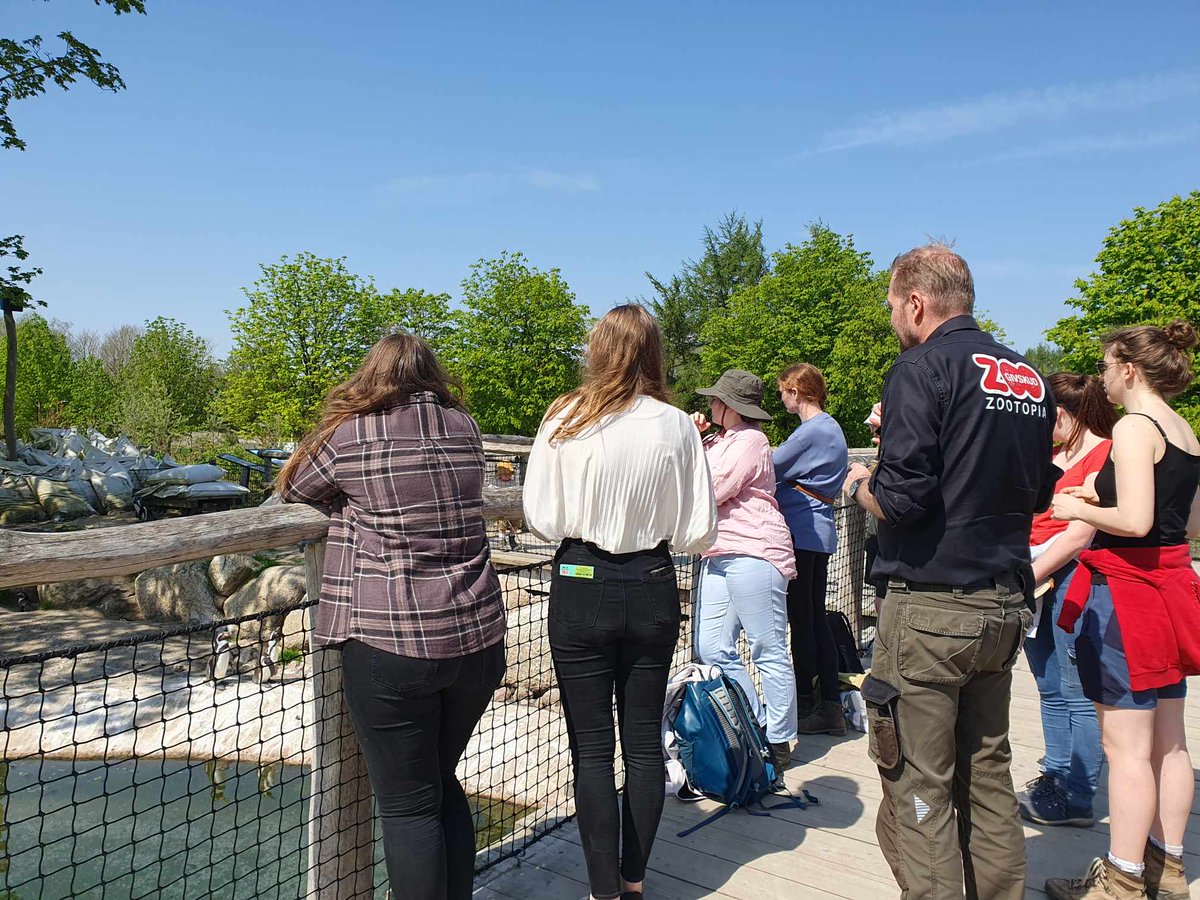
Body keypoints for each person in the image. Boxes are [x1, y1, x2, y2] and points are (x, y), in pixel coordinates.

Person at [842, 243, 1058, 900]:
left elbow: (903, 501)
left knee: (919, 790)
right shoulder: (1027, 377)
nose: (891, 320)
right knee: (989, 780)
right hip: (1002, 608)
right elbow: (1037, 490)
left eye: (890, 307)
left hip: (932, 612)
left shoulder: (920, 368)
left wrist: (861, 483)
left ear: (916, 301)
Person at [276, 332, 506, 900]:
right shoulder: (465, 428)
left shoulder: (350, 433)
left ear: (371, 376)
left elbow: (292, 487)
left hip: (391, 646)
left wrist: (344, 500)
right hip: (478, 641)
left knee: (408, 807)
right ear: (432, 374)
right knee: (439, 785)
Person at [523, 304, 717, 900]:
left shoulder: (566, 416)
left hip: (580, 581)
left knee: (591, 748)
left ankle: (602, 889)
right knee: (642, 746)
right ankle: (634, 882)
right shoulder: (678, 425)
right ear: (654, 352)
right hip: (653, 580)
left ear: (597, 350)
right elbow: (698, 531)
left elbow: (541, 518)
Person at [1045, 322, 1200, 900]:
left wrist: (1068, 506)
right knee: (1171, 743)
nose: (1102, 376)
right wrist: (1102, 496)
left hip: (1128, 599)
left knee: (1126, 749)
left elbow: (1135, 524)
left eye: (1108, 366)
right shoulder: (1183, 430)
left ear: (1129, 369)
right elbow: (1187, 523)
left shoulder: (1134, 427)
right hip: (1172, 589)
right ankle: (1170, 868)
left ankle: (1123, 879)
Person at [1018, 373, 1117, 829]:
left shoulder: (1105, 455)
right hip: (1039, 578)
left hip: (1069, 579)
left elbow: (1080, 536)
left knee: (1077, 690)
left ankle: (1078, 792)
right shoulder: (1058, 456)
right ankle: (1056, 775)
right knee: (1048, 683)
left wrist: (1023, 579)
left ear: (1058, 413)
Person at [691, 368, 799, 773]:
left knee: (767, 647)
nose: (710, 404)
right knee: (712, 646)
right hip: (719, 552)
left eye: (716, 399)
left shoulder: (752, 440)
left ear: (731, 406)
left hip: (755, 551)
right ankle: (756, 722)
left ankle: (780, 737)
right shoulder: (718, 439)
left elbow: (712, 488)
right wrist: (693, 439)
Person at [772, 363, 850, 736]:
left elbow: (769, 465)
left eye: (783, 391)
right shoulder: (831, 427)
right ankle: (829, 701)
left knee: (801, 621)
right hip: (818, 531)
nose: (782, 398)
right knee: (814, 617)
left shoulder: (810, 431)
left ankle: (808, 702)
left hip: (801, 530)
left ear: (796, 392)